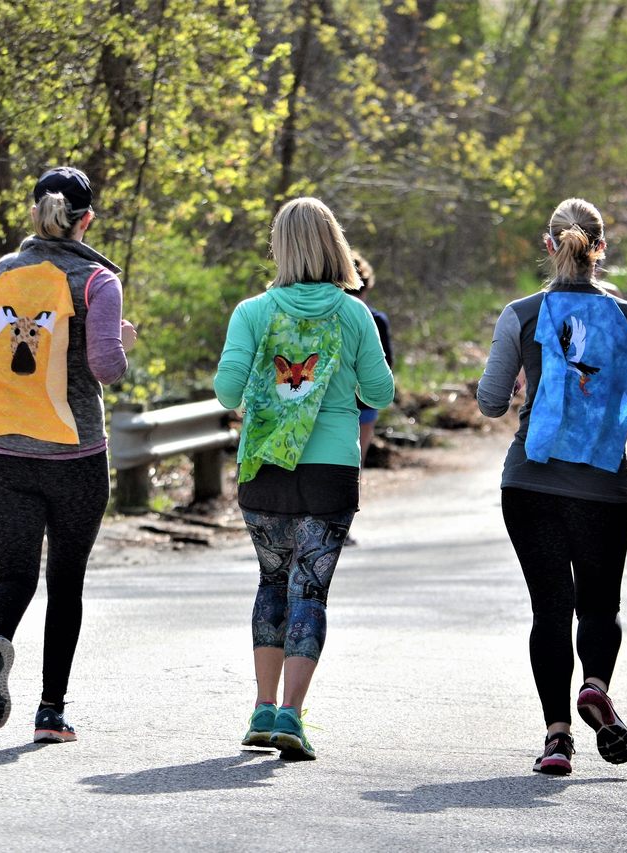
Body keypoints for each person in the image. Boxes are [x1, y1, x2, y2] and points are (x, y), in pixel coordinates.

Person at [476, 198, 627, 776]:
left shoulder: (522, 313)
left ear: (550, 244)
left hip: (529, 483)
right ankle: (596, 686)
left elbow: (488, 402)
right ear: (600, 248)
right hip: (602, 486)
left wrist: (522, 388)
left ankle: (557, 738)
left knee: (551, 609)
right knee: (599, 605)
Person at [0, 166, 137, 743]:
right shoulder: (96, 281)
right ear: (87, 219)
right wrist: (123, 344)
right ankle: (50, 713)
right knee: (66, 582)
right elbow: (106, 366)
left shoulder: (3, 272)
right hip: (76, 457)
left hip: (6, 452)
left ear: (35, 213)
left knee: (14, 578)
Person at [213, 197, 394, 761]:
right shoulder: (354, 314)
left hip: (265, 465)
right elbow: (380, 394)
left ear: (280, 247)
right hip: (331, 468)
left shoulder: (252, 312)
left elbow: (225, 392)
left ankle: (261, 710)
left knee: (272, 582)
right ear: (333, 244)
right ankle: (291, 715)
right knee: (308, 588)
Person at [349, 251, 394, 463]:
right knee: (356, 463)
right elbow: (387, 364)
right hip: (365, 403)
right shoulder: (376, 319)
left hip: (332, 402)